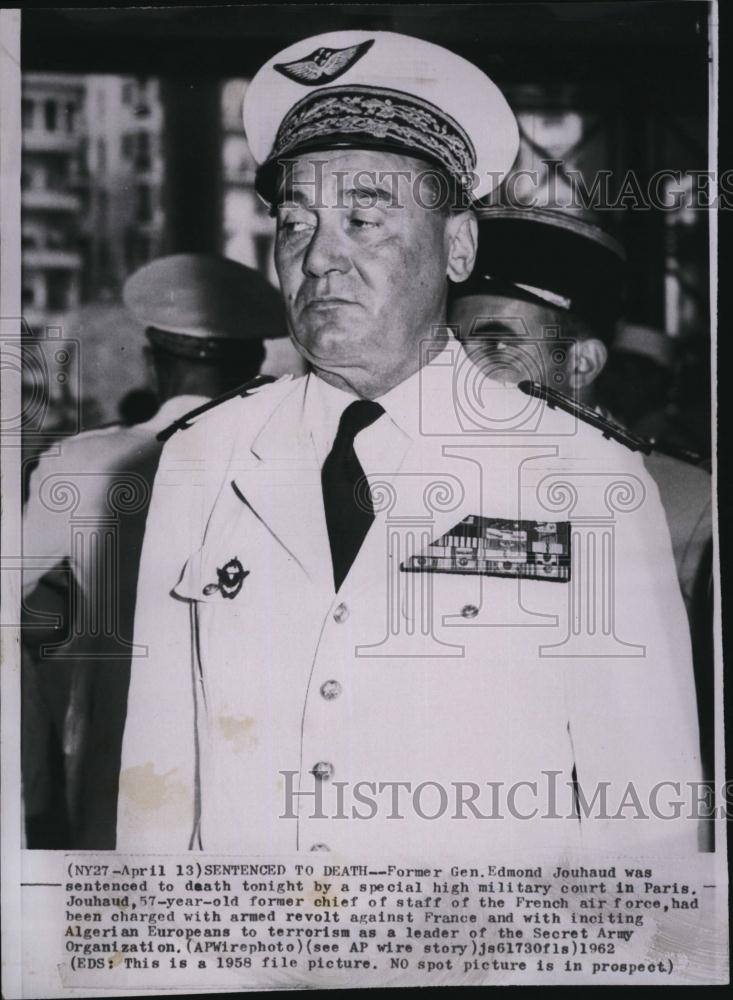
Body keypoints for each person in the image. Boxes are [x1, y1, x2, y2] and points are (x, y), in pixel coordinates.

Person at [118, 30, 701, 857]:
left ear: (457, 245)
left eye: (363, 218)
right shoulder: (201, 458)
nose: (319, 256)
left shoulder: (582, 476)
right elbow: (157, 785)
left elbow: (648, 823)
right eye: (293, 223)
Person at [449, 204, 714, 842]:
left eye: (495, 343)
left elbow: (661, 767)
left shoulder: (683, 501)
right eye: (451, 346)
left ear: (582, 364)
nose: (460, 373)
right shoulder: (427, 489)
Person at [22, 254, 287, 848]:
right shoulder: (305, 467)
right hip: (265, 769)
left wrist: (32, 780)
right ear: (254, 361)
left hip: (116, 757)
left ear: (151, 361)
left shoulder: (83, 464)